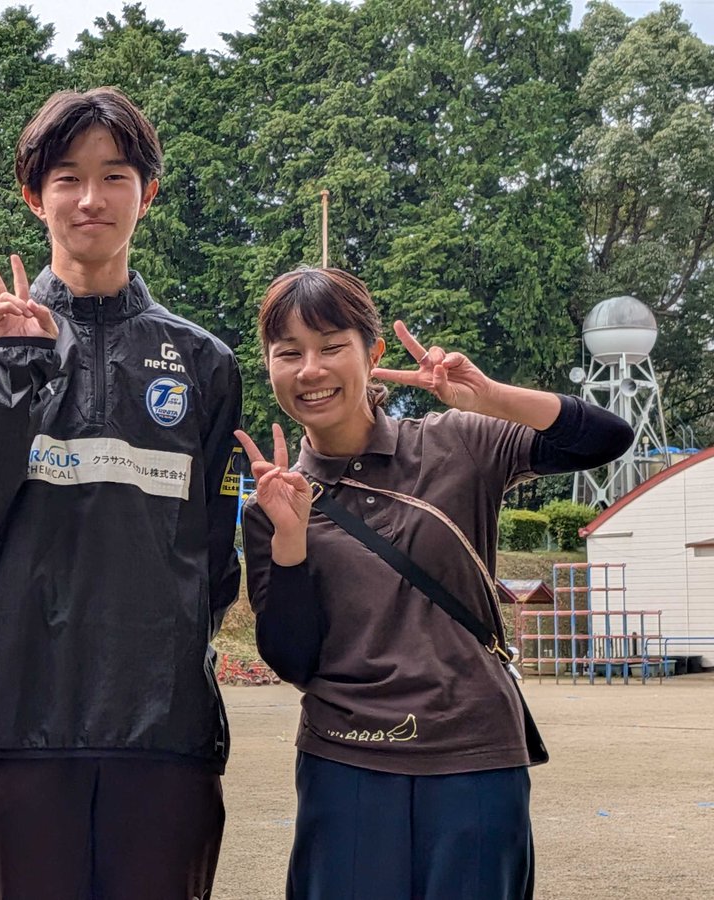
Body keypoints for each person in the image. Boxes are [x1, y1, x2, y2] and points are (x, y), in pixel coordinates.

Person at [0, 87, 243, 899]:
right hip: (17, 718)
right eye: (67, 178)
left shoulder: (204, 362)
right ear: (36, 197)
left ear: (149, 193)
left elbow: (213, 553)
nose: (91, 199)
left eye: (114, 176)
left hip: (164, 726)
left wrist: (169, 650)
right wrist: (12, 368)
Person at [235, 267, 633, 900]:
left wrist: (490, 396)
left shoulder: (459, 444)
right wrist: (288, 541)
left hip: (475, 754)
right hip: (347, 759)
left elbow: (608, 438)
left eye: (333, 346)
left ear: (374, 354)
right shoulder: (274, 504)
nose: (311, 369)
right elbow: (292, 658)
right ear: (270, 366)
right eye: (289, 353)